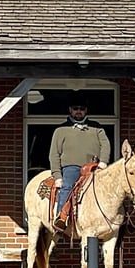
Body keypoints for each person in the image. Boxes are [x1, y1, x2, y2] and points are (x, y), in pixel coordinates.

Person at [49, 95, 111, 232]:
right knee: (67, 187)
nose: (79, 111)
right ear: (70, 110)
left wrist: (103, 162)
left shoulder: (97, 128)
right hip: (71, 167)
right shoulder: (60, 130)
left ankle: (111, 219)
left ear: (86, 110)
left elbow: (105, 145)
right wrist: (57, 176)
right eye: (75, 108)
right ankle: (62, 217)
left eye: (81, 109)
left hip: (94, 167)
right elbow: (54, 154)